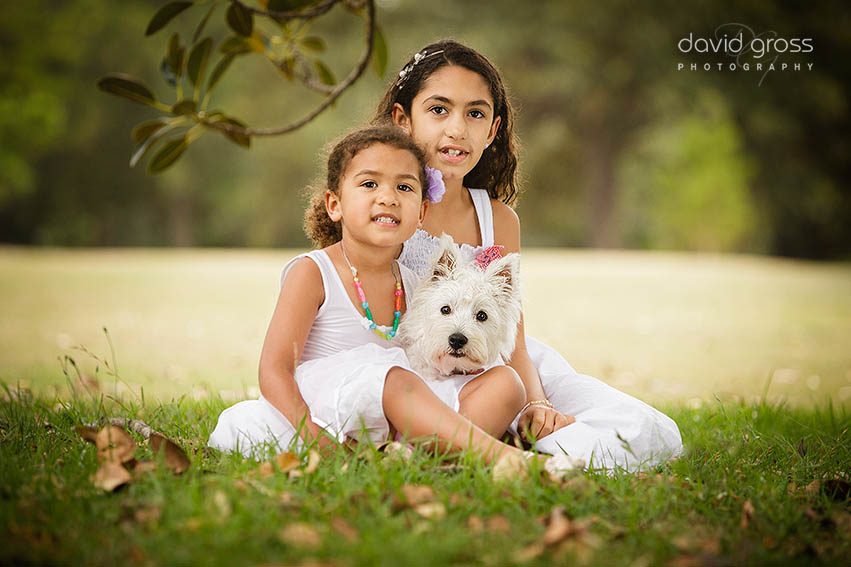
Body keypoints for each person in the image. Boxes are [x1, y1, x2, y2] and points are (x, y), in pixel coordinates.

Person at [374, 40, 683, 470]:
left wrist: (535, 402)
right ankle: (460, 447)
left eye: (475, 113)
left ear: (493, 129)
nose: (457, 129)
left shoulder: (497, 221)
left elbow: (512, 335)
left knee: (636, 428)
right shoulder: (383, 209)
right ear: (402, 120)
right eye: (439, 110)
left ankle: (500, 434)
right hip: (412, 370)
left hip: (492, 364)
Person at [208, 125, 537, 466]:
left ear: (422, 212)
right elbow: (274, 371)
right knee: (393, 377)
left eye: (405, 187)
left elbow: (428, 365)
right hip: (321, 413)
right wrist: (317, 440)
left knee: (506, 382)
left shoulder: (413, 285)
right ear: (335, 205)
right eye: (369, 184)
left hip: (394, 415)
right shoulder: (314, 273)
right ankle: (504, 459)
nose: (388, 197)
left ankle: (420, 460)